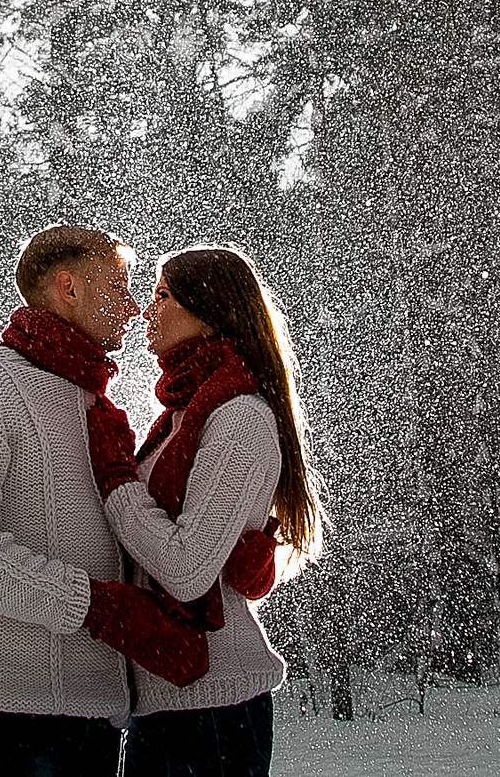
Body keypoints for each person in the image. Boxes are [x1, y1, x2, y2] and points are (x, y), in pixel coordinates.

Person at [0, 225, 218, 777]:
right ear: (69, 288)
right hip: (10, 716)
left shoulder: (90, 399)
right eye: (121, 285)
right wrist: (100, 609)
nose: (133, 307)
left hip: (96, 716)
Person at [84, 245, 325, 777]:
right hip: (167, 702)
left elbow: (186, 570)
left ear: (208, 309)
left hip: (214, 711)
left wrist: (117, 479)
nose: (148, 311)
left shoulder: (240, 419)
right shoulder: (180, 417)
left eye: (163, 296)